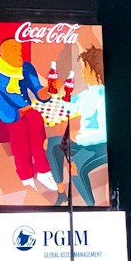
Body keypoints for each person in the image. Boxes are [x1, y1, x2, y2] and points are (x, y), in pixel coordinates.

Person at [0, 36, 58, 192]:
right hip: (4, 120)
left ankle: (43, 170)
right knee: (19, 126)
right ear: (2, 54)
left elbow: (38, 92)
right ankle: (26, 176)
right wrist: (23, 111)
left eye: (19, 50)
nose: (19, 54)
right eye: (14, 51)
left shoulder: (26, 68)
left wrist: (49, 89)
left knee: (35, 117)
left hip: (27, 112)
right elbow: (4, 111)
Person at [47, 44, 107, 207]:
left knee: (75, 168)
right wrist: (58, 93)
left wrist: (77, 137)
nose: (82, 72)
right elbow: (70, 106)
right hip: (84, 142)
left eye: (85, 69)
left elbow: (103, 134)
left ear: (96, 71)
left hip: (101, 146)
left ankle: (91, 207)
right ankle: (61, 194)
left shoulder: (104, 97)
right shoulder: (88, 94)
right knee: (52, 144)